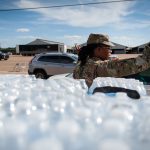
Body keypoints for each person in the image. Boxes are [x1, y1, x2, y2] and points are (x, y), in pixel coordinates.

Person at [73, 33, 150, 87]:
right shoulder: (99, 67)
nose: (111, 51)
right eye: (108, 48)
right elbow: (141, 62)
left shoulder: (81, 63)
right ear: (98, 49)